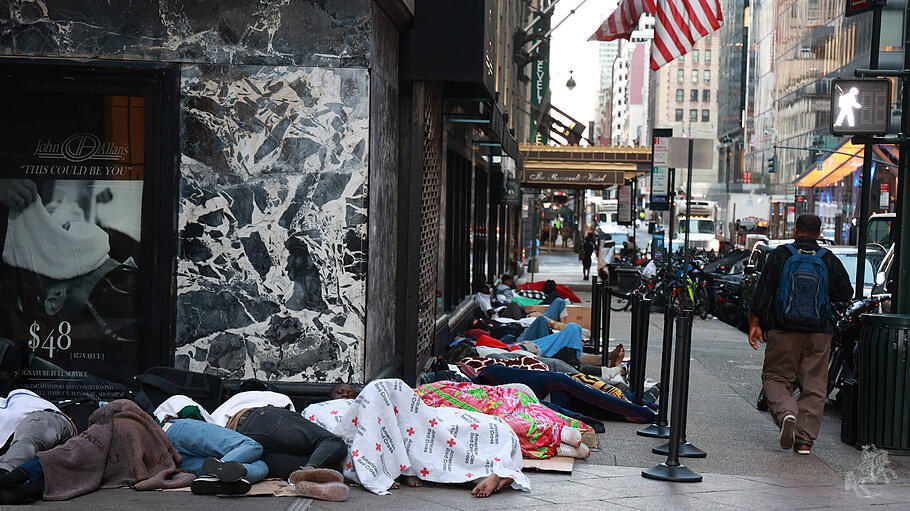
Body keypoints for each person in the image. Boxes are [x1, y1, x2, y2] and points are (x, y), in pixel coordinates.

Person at [747, 213, 852, 455]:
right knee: (814, 384)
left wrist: (755, 323)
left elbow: (763, 290)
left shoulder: (781, 255)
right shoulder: (828, 259)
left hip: (783, 330)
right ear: (819, 233)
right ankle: (804, 440)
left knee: (775, 377)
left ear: (795, 231)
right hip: (819, 332)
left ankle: (787, 413)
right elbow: (845, 292)